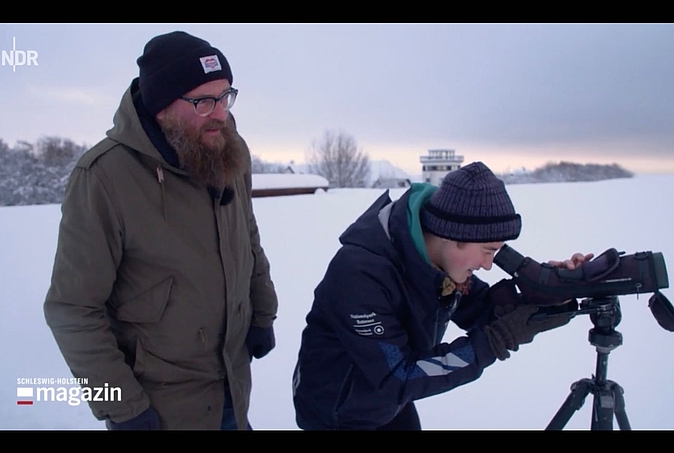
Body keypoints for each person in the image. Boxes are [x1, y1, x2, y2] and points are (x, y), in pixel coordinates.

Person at [44, 31, 279, 430]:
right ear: (161, 105)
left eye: (225, 96)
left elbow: (248, 236)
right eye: (203, 101)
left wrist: (263, 311)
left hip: (231, 388)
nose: (220, 113)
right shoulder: (104, 177)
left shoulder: (227, 151)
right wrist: (121, 406)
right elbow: (73, 308)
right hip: (158, 407)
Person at [292, 161, 592, 430]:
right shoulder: (360, 274)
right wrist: (496, 341)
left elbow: (484, 308)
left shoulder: (436, 262)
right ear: (454, 236)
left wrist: (551, 294)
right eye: (488, 251)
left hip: (389, 402)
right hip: (338, 414)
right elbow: (399, 375)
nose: (488, 265)